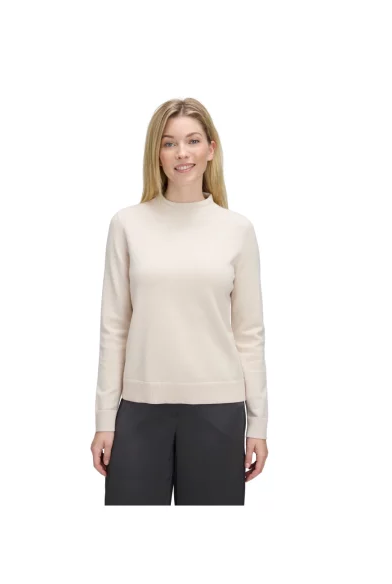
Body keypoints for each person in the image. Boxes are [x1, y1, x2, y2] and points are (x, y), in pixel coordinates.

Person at [90, 97, 269, 505]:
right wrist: (104, 419)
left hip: (218, 410)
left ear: (211, 149)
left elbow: (249, 334)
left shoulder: (237, 230)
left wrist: (258, 424)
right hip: (139, 409)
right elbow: (114, 328)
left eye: (192, 141)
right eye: (169, 143)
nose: (182, 153)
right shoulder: (127, 224)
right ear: (156, 152)